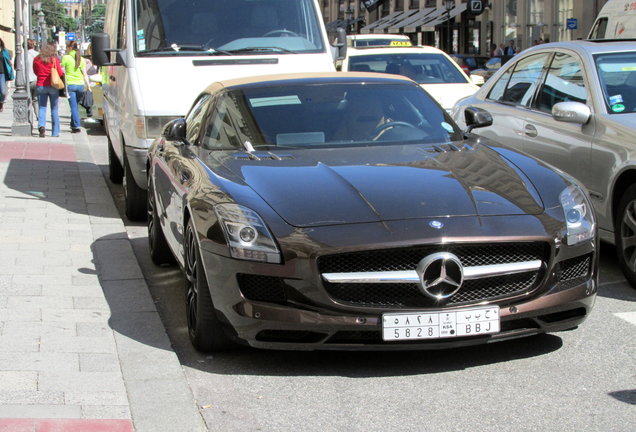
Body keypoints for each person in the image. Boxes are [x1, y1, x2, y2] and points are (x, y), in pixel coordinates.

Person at [33, 42, 65, 137]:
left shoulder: (36, 59)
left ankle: (41, 126)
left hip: (40, 85)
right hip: (53, 86)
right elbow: (59, 72)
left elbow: (35, 71)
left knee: (42, 107)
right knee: (54, 109)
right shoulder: (54, 59)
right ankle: (55, 132)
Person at [61, 41, 91, 133]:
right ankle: (73, 124)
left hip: (70, 85)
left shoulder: (66, 58)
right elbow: (85, 74)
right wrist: (88, 86)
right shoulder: (81, 59)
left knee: (73, 107)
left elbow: (61, 71)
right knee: (75, 106)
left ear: (69, 48)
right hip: (80, 85)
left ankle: (77, 126)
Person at [0, 38, 14, 112]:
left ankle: (1, 102)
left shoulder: (4, 51)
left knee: (3, 91)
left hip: (2, 73)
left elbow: (9, 61)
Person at [26, 39, 39, 119]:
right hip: (36, 79)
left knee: (28, 101)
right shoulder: (37, 55)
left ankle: (29, 119)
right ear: (33, 45)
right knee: (36, 100)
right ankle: (38, 116)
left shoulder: (22, 55)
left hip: (26, 80)